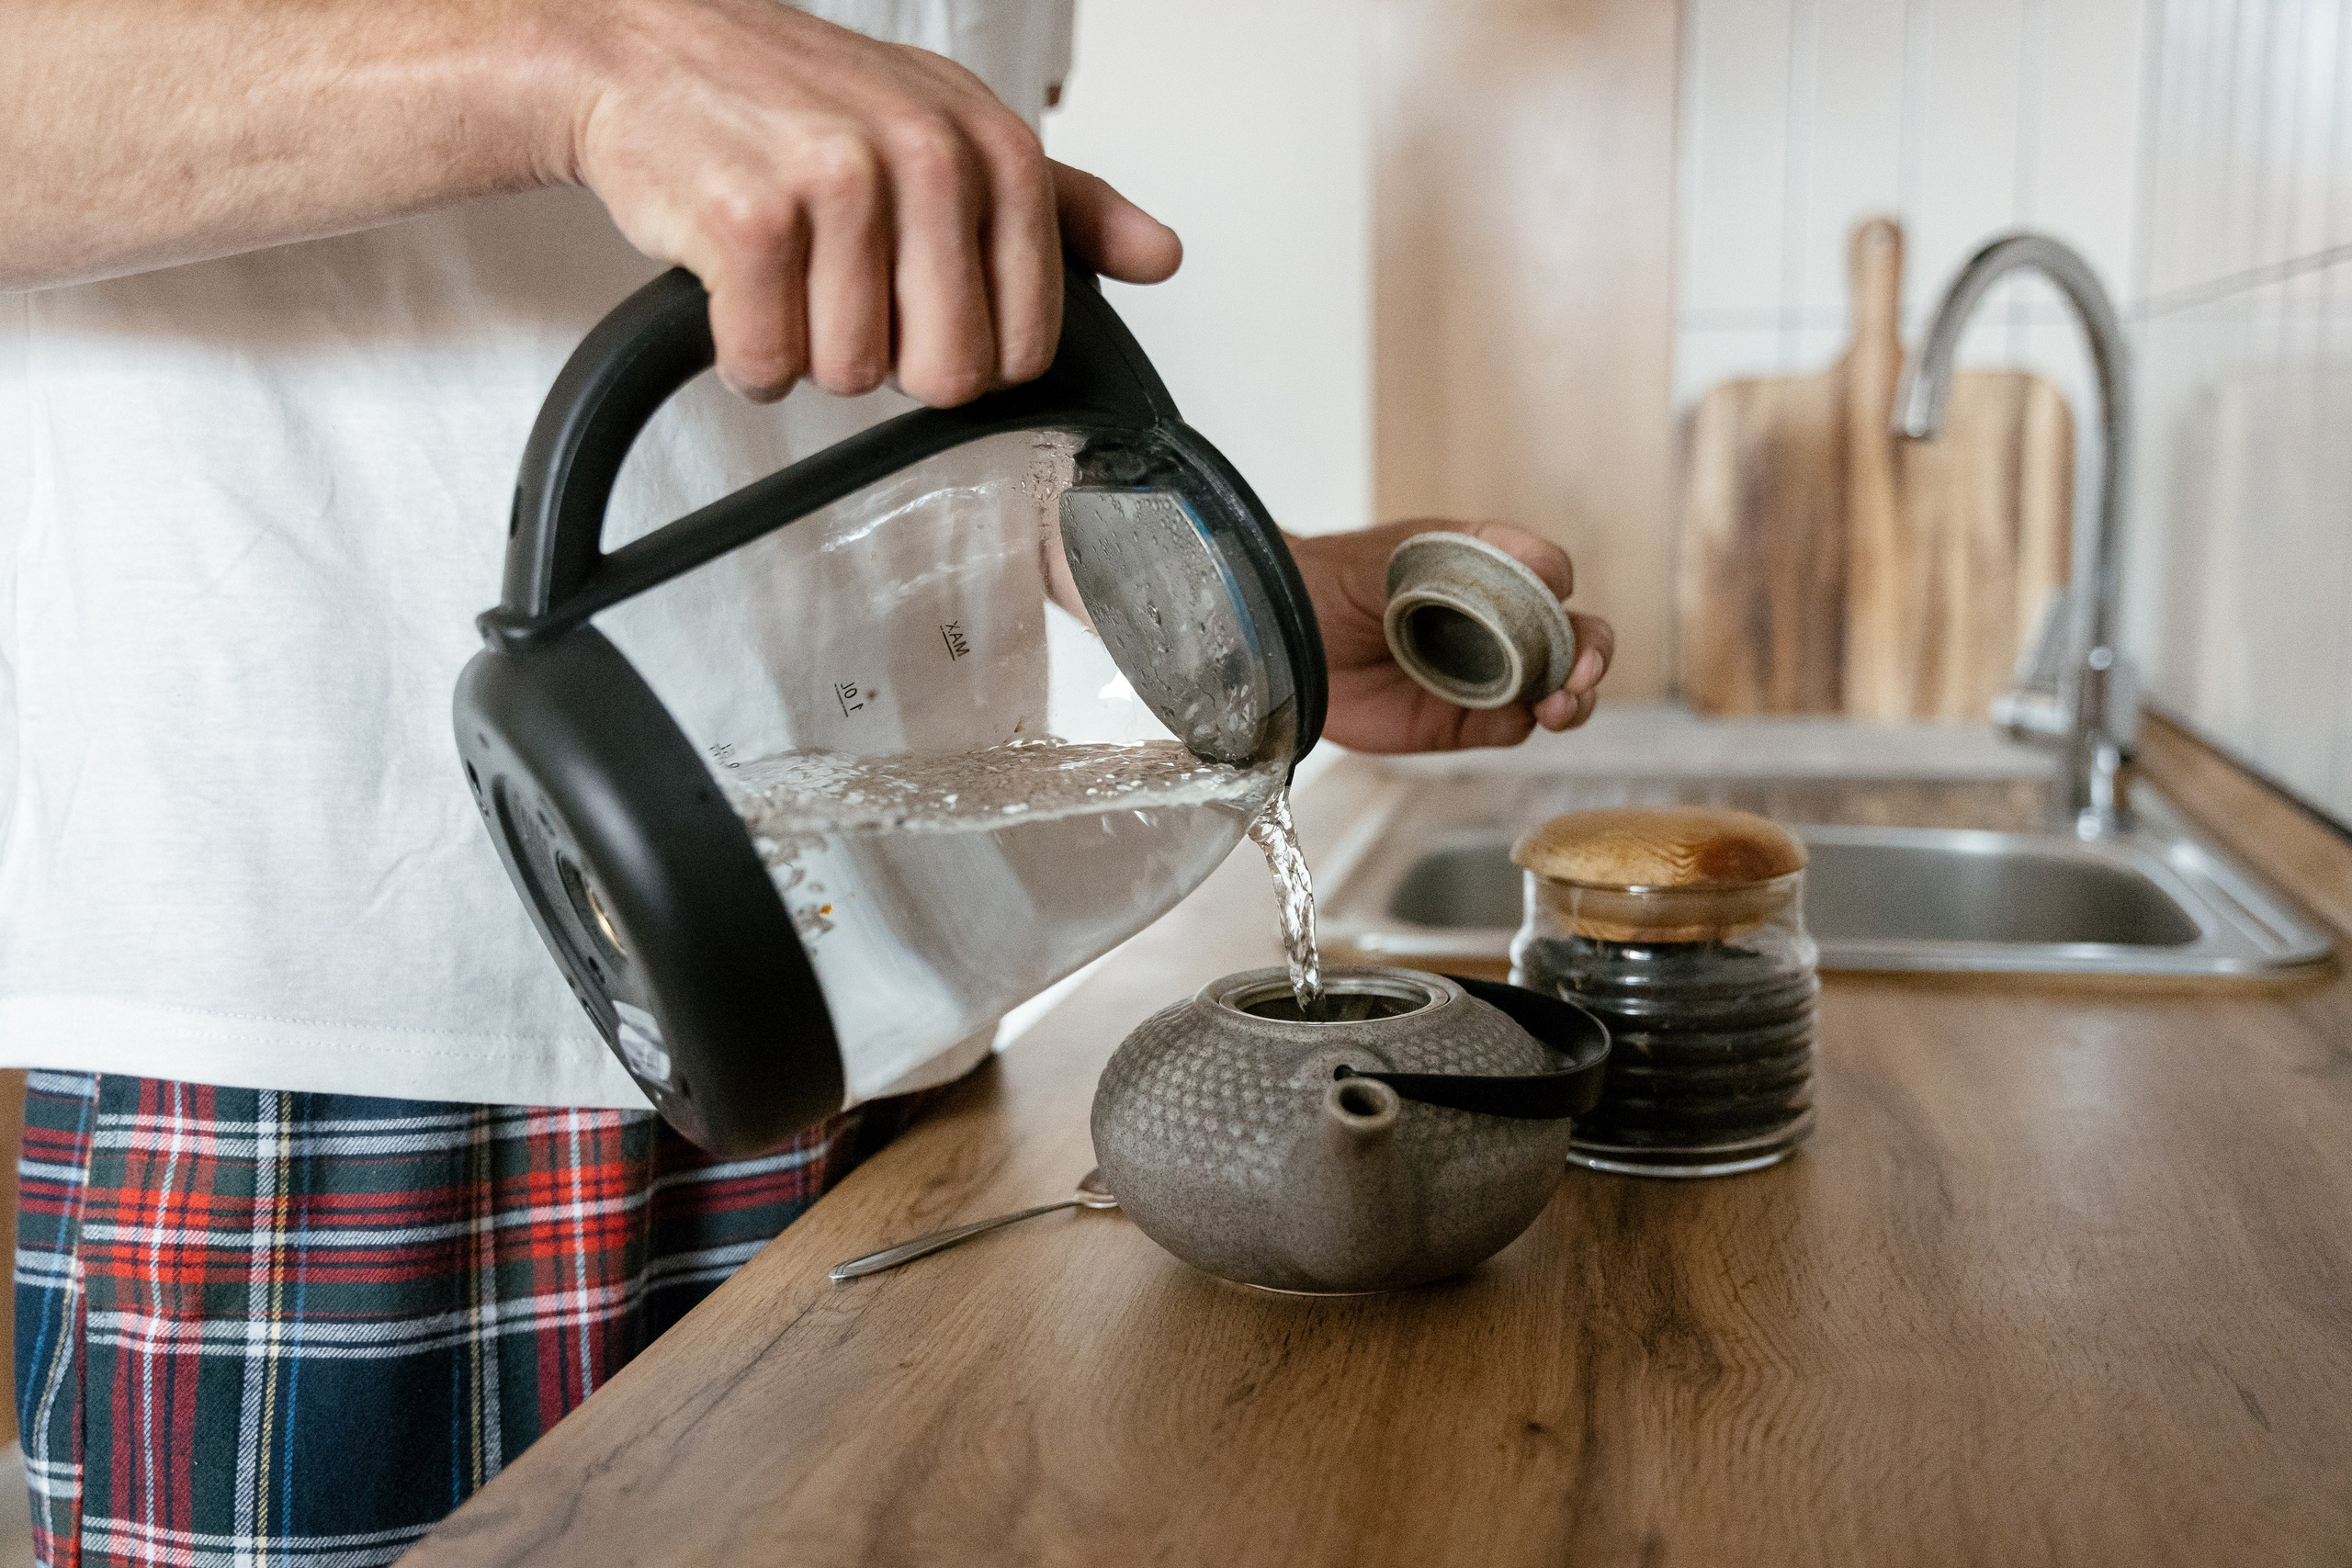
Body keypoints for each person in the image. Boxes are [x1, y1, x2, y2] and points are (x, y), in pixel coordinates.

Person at [0, 2, 1615, 1562]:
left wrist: (1200, 600)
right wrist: (580, 56)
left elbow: (892, 404)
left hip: (898, 1033)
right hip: (360, 1071)